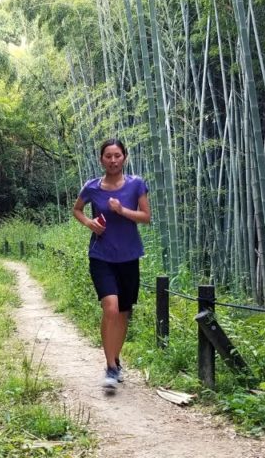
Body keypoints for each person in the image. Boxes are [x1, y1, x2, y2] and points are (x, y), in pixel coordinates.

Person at [72, 138, 151, 390]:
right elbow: (77, 210)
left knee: (124, 312)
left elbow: (146, 217)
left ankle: (115, 358)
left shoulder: (136, 184)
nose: (113, 160)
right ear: (101, 159)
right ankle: (110, 367)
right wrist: (89, 223)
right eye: (108, 156)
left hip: (128, 256)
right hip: (101, 255)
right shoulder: (92, 187)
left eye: (117, 155)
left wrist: (122, 211)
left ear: (124, 157)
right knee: (111, 308)